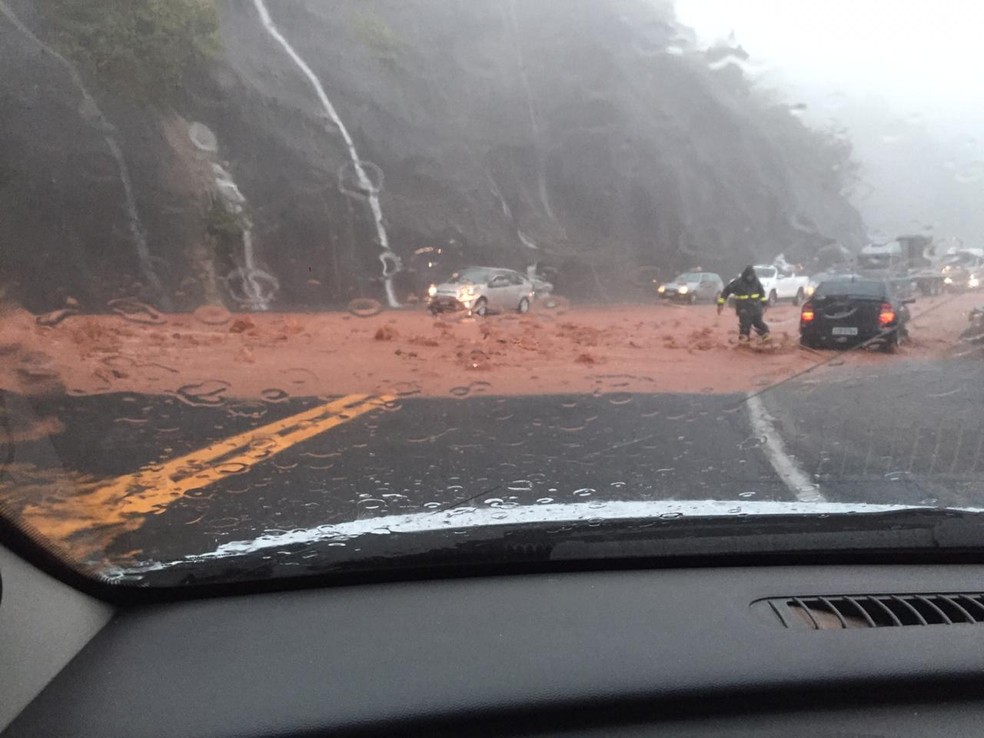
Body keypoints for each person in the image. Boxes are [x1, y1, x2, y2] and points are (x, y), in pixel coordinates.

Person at [717, 265, 771, 343]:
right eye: (749, 276)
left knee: (758, 322)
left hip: (756, 307)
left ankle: (765, 335)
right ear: (745, 275)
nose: (750, 278)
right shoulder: (738, 282)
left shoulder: (756, 282)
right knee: (745, 325)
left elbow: (762, 293)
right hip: (743, 308)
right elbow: (726, 291)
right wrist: (720, 304)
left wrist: (765, 304)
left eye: (752, 276)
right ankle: (744, 340)